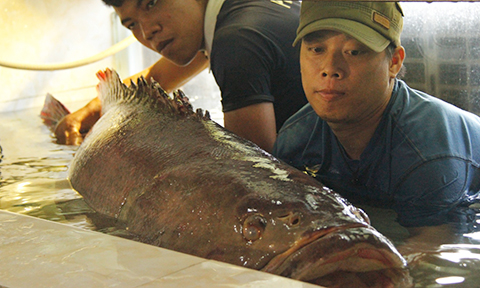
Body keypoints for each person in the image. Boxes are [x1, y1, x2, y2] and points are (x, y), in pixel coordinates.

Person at [273, 1, 480, 250]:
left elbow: (431, 252)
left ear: (394, 62)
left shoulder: (428, 155)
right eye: (317, 49)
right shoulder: (296, 140)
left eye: (354, 52)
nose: (330, 69)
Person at [54, 0, 307, 153]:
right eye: (131, 24)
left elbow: (258, 178)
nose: (147, 31)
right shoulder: (236, 13)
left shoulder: (236, 42)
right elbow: (157, 78)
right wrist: (97, 105)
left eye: (152, 3)